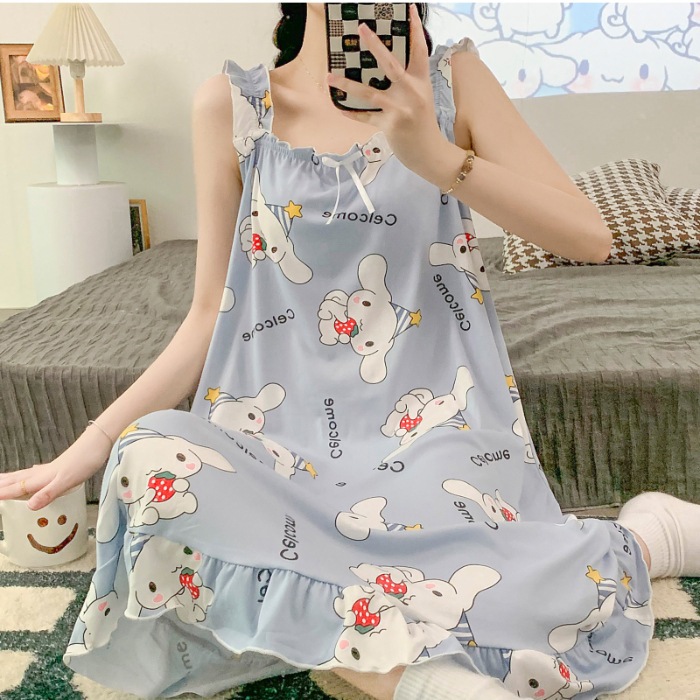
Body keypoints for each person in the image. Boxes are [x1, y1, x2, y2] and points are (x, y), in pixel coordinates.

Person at [1, 3, 699, 699]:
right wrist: (91, 445)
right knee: (149, 460)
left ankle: (640, 543)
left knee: (459, 556)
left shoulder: (454, 80)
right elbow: (209, 312)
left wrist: (438, 158)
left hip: (429, 435)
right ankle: (426, 673)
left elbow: (589, 238)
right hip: (275, 444)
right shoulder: (232, 106)